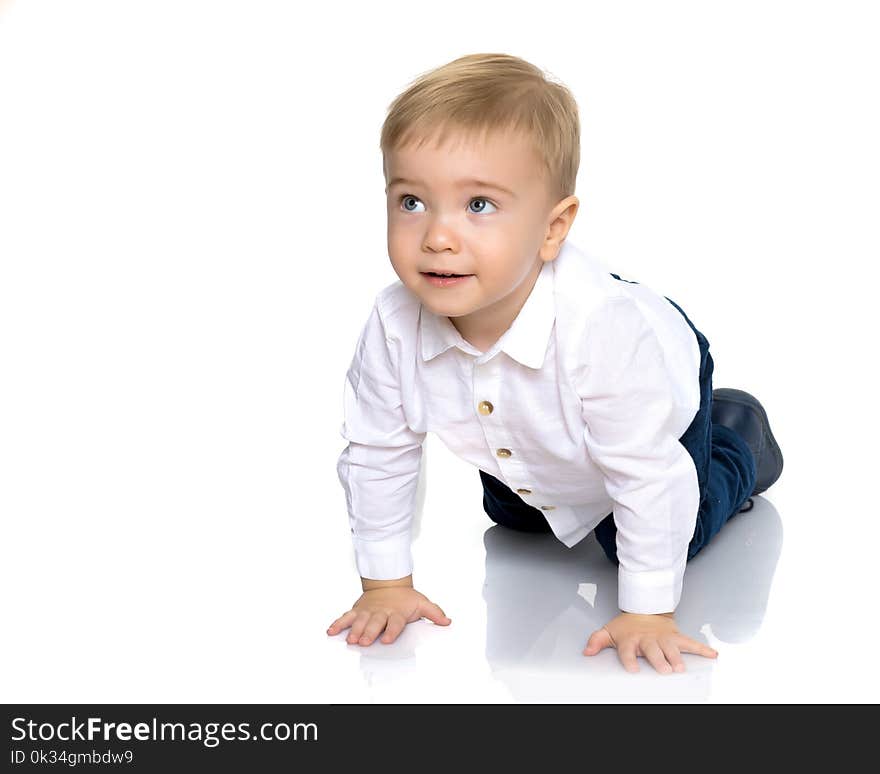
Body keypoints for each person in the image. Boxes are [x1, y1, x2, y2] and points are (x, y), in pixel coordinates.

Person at [326, 53, 783, 675]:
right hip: (529, 411)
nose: (437, 236)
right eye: (411, 202)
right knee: (516, 520)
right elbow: (378, 449)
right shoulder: (391, 322)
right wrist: (385, 582)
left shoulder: (603, 332)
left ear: (553, 227)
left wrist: (648, 610)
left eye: (479, 205)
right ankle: (546, 472)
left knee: (639, 537)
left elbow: (647, 475)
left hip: (654, 387)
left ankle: (738, 443)